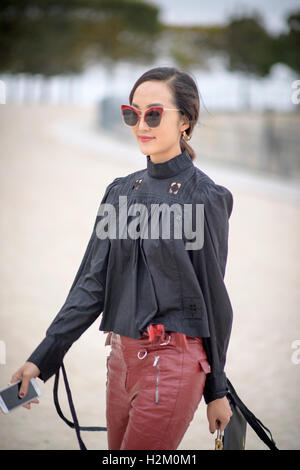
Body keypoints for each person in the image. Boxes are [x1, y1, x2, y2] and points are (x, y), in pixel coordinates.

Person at [11, 66, 233, 450]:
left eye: (154, 113)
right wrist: (42, 359)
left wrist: (217, 390)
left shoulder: (204, 197)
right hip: (120, 362)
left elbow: (213, 300)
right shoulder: (119, 193)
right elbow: (91, 284)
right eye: (132, 113)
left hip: (174, 365)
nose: (140, 125)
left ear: (186, 120)